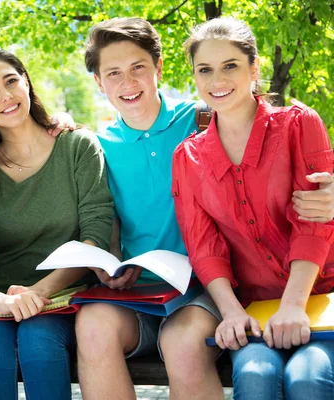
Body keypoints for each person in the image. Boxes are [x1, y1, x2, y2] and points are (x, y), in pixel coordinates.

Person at [73, 17, 334, 400]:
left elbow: (312, 201)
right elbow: (191, 238)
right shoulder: (99, 145)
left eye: (138, 68)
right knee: (92, 325)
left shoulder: (202, 119)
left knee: (292, 375)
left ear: (158, 69)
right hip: (168, 293)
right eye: (113, 73)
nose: (128, 83)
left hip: (226, 289)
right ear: (98, 81)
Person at [172, 17, 334, 400]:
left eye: (230, 65)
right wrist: (231, 312)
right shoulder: (188, 157)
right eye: (205, 70)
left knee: (307, 379)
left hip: (323, 299)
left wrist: (294, 306)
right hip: (254, 310)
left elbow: (313, 221)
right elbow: (204, 246)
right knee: (256, 376)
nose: (217, 81)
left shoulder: (299, 124)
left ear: (253, 68)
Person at [0, 47, 114, 400]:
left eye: (11, 81)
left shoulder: (77, 147)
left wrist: (39, 293)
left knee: (38, 342)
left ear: (27, 84)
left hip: (66, 294)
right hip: (1, 295)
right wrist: (0, 301)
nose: (5, 95)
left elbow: (94, 238)